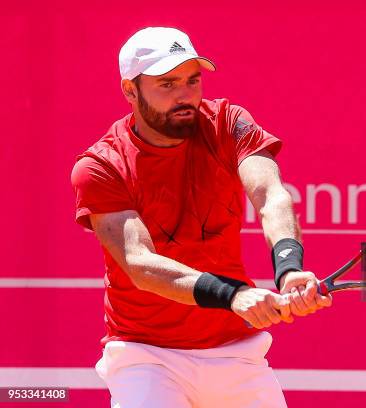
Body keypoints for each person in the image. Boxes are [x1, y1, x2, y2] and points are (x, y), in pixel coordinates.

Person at [70, 26, 331, 408]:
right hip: (146, 357)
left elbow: (270, 194)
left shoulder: (228, 123)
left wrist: (289, 268)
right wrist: (235, 295)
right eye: (167, 84)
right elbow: (139, 264)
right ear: (130, 90)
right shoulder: (100, 166)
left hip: (236, 351)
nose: (185, 95)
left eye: (193, 80)